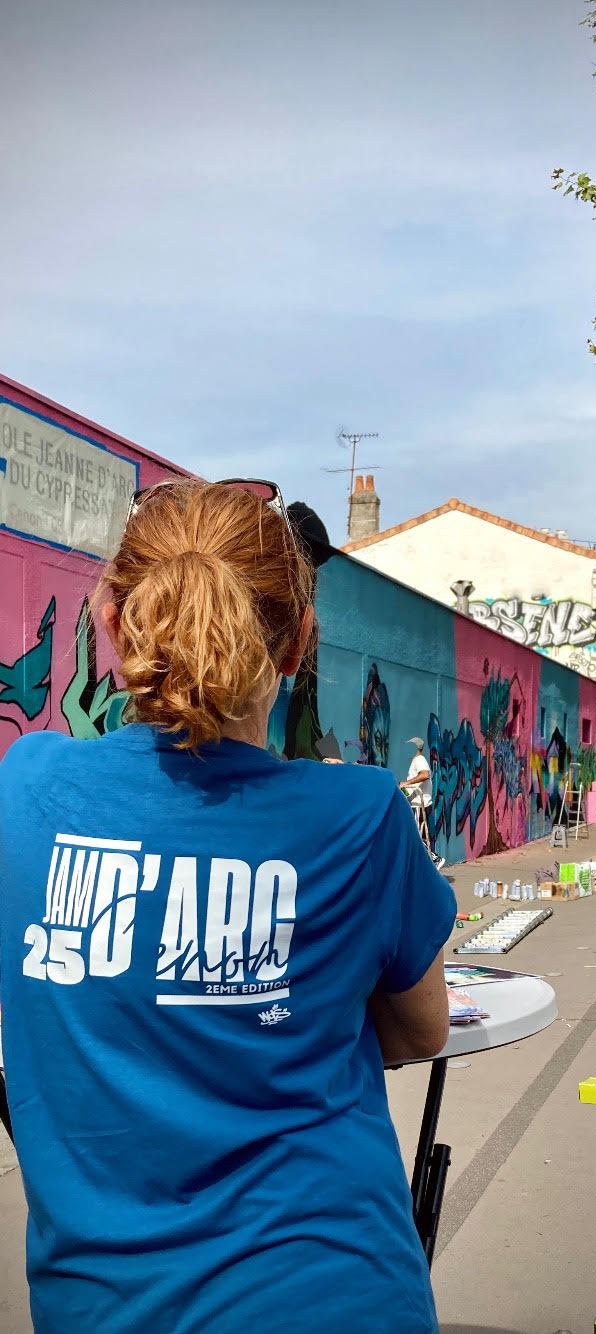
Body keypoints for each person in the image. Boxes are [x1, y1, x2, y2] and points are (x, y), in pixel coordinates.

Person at [0, 479, 456, 1334]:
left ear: (114, 624)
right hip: (333, 1291)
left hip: (102, 1306)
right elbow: (422, 1030)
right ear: (298, 646)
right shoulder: (360, 816)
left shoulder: (24, 791)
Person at [400, 738, 445, 871]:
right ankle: (426, 867)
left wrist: (406, 783)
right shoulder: (417, 761)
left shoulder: (419, 760)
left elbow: (424, 775)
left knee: (415, 836)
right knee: (416, 836)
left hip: (419, 805)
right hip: (418, 804)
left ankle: (435, 858)